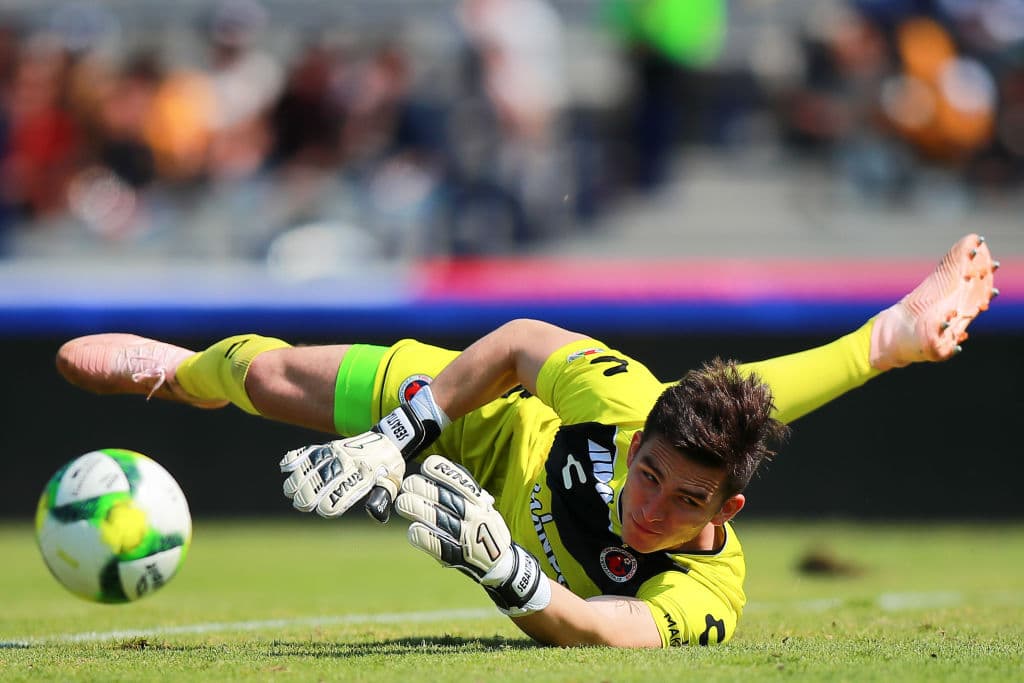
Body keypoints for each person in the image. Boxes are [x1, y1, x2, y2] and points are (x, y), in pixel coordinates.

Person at [55, 234, 997, 648]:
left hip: (500, 528)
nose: (650, 507)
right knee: (263, 379)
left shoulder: (712, 590)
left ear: (729, 508)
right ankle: (185, 373)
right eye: (649, 475)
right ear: (639, 442)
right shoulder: (629, 400)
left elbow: (604, 630)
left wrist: (507, 572)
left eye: (686, 500)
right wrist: (399, 436)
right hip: (477, 415)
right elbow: (512, 343)